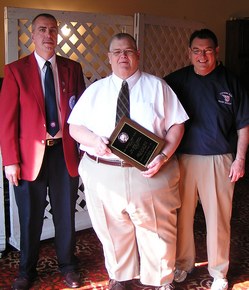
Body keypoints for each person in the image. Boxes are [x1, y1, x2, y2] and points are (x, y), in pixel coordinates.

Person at [68, 32, 189, 290]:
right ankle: (121, 277)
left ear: (137, 55)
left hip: (150, 172)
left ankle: (160, 279)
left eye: (128, 51)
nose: (123, 56)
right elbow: (74, 127)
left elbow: (177, 125)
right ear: (109, 58)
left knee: (157, 231)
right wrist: (92, 141)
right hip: (104, 172)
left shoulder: (158, 87)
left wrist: (164, 155)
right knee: (112, 230)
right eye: (117, 52)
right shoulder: (95, 90)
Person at [0, 13, 86, 290]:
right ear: (32, 35)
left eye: (52, 30)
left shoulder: (72, 68)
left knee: (65, 215)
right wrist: (10, 161)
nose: (48, 35)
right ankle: (26, 271)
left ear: (57, 34)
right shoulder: (15, 70)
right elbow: (7, 120)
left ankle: (68, 265)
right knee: (30, 217)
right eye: (42, 30)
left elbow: (82, 113)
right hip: (28, 159)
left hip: (64, 153)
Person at [164, 28, 249, 290]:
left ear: (217, 51)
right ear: (189, 52)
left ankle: (219, 272)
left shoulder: (232, 82)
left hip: (220, 159)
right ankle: (183, 263)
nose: (203, 56)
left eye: (208, 50)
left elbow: (243, 126)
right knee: (181, 216)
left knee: (218, 219)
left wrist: (240, 159)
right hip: (182, 159)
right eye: (197, 51)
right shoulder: (175, 81)